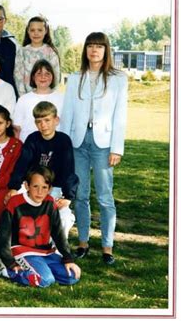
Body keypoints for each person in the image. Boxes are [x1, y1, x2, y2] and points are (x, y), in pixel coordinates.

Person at [60, 32, 128, 265]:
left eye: (99, 46)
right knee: (80, 195)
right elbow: (67, 113)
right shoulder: (75, 77)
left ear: (106, 50)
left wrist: (116, 148)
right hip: (78, 142)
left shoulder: (118, 79)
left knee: (105, 197)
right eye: (90, 46)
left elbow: (120, 116)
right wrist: (66, 145)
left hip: (104, 143)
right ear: (86, 50)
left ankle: (107, 247)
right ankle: (83, 243)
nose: (94, 50)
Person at [0, 166, 81, 287]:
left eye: (44, 187)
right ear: (27, 186)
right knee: (45, 280)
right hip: (22, 251)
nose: (40, 192)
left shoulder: (50, 203)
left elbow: (58, 233)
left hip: (45, 252)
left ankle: (41, 269)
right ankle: (6, 270)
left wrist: (68, 258)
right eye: (35, 186)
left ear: (50, 189)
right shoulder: (14, 203)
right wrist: (9, 261)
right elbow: (3, 236)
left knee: (72, 276)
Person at [7, 101, 78, 238]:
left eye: (47, 120)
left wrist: (68, 197)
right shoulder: (33, 139)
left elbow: (69, 170)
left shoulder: (64, 140)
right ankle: (16, 248)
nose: (43, 125)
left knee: (64, 217)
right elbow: (22, 165)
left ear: (56, 120)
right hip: (32, 186)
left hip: (55, 188)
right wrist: (14, 187)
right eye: (39, 121)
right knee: (13, 206)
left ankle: (57, 251)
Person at [13, 59, 63, 143]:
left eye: (47, 74)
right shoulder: (23, 99)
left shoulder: (62, 98)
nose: (43, 77)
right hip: (29, 147)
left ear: (52, 77)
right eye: (39, 73)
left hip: (55, 145)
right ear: (33, 77)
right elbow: (17, 128)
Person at [14, 16, 61, 96]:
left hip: (47, 98)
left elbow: (56, 77)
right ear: (28, 31)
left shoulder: (50, 52)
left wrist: (50, 97)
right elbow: (18, 77)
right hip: (27, 97)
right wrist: (24, 98)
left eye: (39, 30)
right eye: (32, 30)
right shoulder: (22, 52)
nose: (36, 33)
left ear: (45, 31)